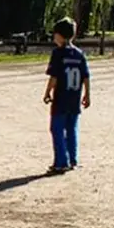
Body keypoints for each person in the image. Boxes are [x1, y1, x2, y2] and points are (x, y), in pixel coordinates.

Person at [43, 17, 91, 174]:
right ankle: (72, 159)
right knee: (71, 129)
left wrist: (48, 92)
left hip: (61, 98)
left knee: (56, 129)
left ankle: (61, 162)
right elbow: (86, 76)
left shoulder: (58, 54)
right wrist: (87, 94)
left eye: (55, 34)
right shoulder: (79, 54)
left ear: (60, 36)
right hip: (74, 98)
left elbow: (54, 77)